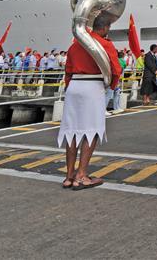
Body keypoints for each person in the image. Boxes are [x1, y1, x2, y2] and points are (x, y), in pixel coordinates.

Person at [58, 13, 122, 190]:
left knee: (71, 131)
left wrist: (70, 86)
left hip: (74, 87)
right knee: (91, 131)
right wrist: (110, 86)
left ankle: (69, 175)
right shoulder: (105, 44)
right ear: (106, 28)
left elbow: (68, 71)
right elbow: (115, 70)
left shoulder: (75, 46)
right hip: (92, 86)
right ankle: (82, 175)